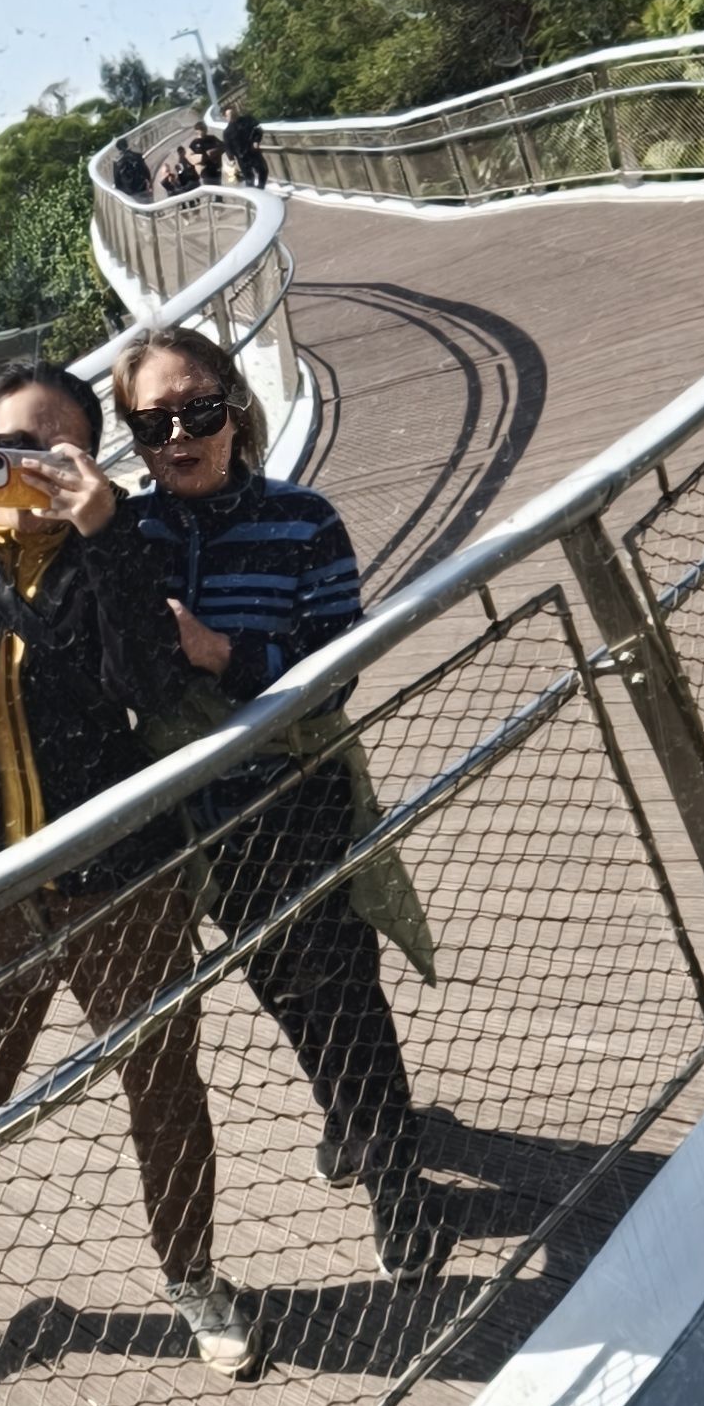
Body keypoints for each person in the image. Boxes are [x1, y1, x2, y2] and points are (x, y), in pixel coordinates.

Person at [0, 361, 258, 1376]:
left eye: (55, 451)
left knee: (162, 1084)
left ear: (89, 463)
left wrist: (104, 531)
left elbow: (148, 682)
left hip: (122, 877)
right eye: (8, 446)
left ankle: (192, 1274)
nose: (26, 467)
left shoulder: (115, 550)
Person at [116, 324, 447, 1276]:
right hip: (202, 816)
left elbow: (334, 671)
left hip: (299, 790)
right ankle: (348, 1110)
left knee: (341, 984)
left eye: (198, 412)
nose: (180, 437)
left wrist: (219, 653)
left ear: (235, 407)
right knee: (278, 982)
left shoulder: (305, 520)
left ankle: (397, 1180)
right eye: (152, 423)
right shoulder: (126, 538)